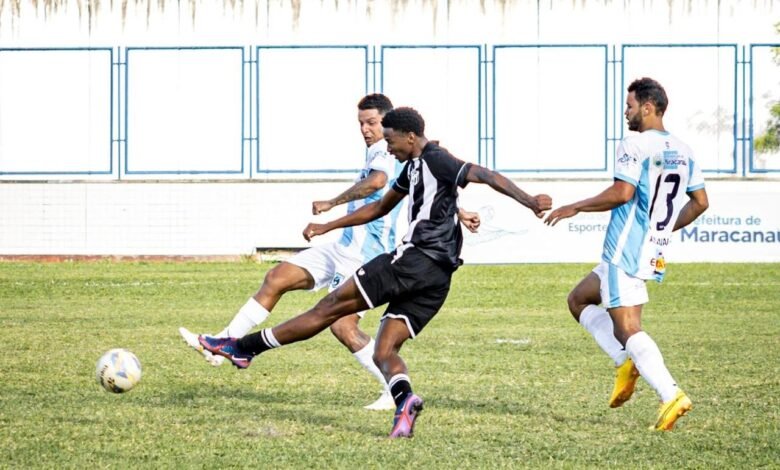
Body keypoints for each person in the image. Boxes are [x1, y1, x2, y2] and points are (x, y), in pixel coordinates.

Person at [198, 106, 552, 438]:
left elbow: (484, 174)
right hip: (437, 281)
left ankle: (244, 348)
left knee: (330, 309)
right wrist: (329, 225)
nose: (388, 146)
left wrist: (530, 201)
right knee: (384, 350)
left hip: (413, 262)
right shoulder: (411, 168)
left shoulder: (437, 158)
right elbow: (381, 208)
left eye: (391, 140)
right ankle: (405, 402)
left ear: (410, 136)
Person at [179, 94, 480, 411]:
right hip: (343, 245)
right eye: (361, 123)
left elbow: (381, 183)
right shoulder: (399, 154)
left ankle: (392, 392)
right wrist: (459, 211)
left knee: (342, 326)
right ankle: (224, 343)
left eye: (372, 123)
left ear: (392, 126)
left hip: (367, 253)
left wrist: (332, 203)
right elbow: (427, 190)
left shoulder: (390, 152)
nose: (365, 129)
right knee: (278, 277)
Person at [544, 77, 709, 431]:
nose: (626, 112)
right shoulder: (684, 150)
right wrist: (660, 229)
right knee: (578, 300)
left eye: (630, 106)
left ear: (648, 108)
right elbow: (700, 203)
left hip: (625, 250)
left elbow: (622, 193)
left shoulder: (634, 143)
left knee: (628, 327)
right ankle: (625, 361)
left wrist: (575, 206)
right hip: (648, 250)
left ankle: (671, 394)